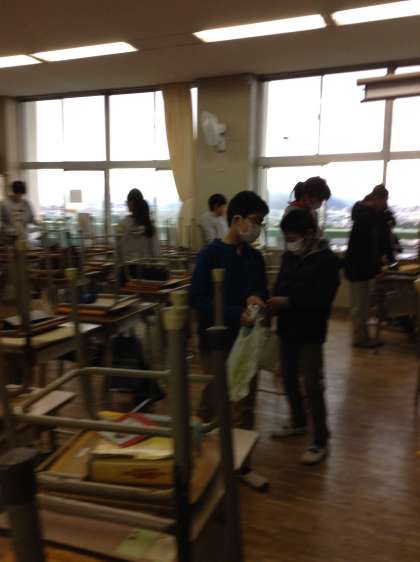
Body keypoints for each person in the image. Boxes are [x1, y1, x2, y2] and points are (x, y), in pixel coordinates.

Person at [190, 190, 269, 489]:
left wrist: (257, 298)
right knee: (213, 398)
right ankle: (194, 455)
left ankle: (240, 464)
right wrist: (237, 313)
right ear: (237, 220)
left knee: (245, 403)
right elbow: (198, 299)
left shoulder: (254, 257)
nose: (258, 227)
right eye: (255, 221)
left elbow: (262, 289)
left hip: (246, 341)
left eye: (262, 222)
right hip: (216, 341)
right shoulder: (209, 255)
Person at [267, 210, 340, 465]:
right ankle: (298, 421)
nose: (290, 242)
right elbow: (280, 285)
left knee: (312, 383)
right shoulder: (289, 256)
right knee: (288, 377)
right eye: (287, 238)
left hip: (311, 331)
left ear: (310, 234)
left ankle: (320, 439)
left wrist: (287, 302)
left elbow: (321, 300)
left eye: (293, 237)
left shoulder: (328, 261)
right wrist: (273, 304)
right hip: (287, 328)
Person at [344, 184, 393, 349]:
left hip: (362, 267)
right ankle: (359, 339)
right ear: (377, 198)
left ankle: (363, 337)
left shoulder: (369, 215)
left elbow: (378, 242)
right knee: (360, 305)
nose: (385, 204)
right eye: (384, 201)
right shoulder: (366, 217)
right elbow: (371, 245)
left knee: (363, 305)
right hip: (358, 267)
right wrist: (381, 265)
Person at [117, 189, 160, 261]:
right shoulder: (150, 227)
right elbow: (156, 253)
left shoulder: (123, 225)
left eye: (127, 202)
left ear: (131, 203)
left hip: (127, 266)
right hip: (147, 266)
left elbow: (118, 251)